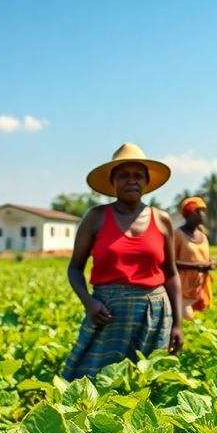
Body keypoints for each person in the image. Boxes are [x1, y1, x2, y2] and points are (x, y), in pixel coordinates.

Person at [63, 143, 183, 380]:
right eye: (123, 175)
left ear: (146, 182)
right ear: (113, 182)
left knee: (149, 381)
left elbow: (171, 274)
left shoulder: (162, 220)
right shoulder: (95, 218)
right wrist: (88, 302)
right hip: (108, 311)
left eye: (138, 175)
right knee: (90, 378)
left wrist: (178, 324)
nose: (131, 181)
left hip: (154, 312)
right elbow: (75, 269)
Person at [174, 197, 216, 320]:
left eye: (203, 211)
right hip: (184, 291)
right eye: (197, 211)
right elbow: (170, 262)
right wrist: (196, 266)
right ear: (188, 214)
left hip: (201, 289)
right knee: (187, 322)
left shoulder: (203, 236)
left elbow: (205, 257)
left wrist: (210, 264)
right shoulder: (178, 234)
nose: (202, 215)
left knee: (202, 326)